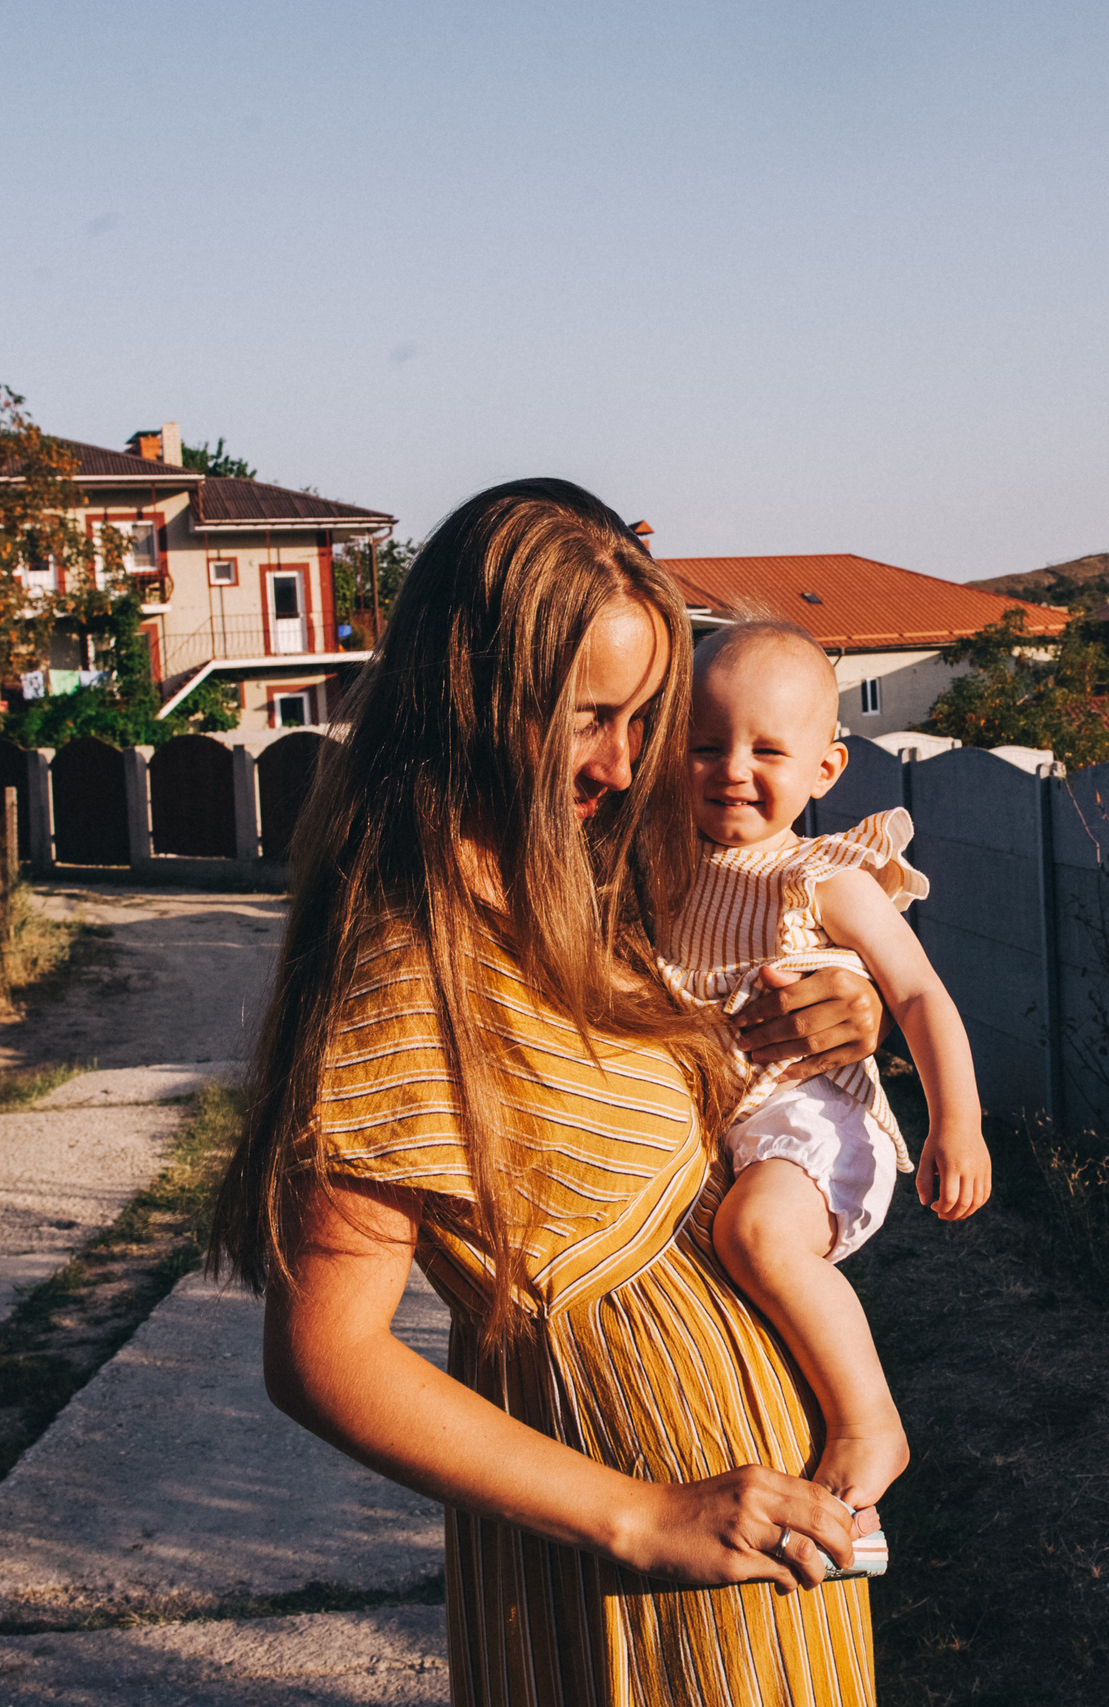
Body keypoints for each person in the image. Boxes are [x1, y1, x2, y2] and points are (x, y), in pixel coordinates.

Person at [209, 479, 890, 1706]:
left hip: (758, 1546)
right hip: (632, 1572)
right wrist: (640, 1517)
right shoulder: (411, 968)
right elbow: (322, 1355)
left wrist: (842, 1015)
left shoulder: (581, 894)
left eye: (644, 719)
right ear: (472, 697)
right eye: (589, 720)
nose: (624, 766)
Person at [663, 621, 990, 1526]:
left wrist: (956, 1123)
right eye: (704, 744)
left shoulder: (822, 874)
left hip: (809, 1116)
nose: (732, 769)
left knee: (758, 1234)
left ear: (825, 769)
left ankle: (869, 1419)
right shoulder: (663, 871)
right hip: (727, 1111)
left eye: (767, 749)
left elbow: (918, 993)